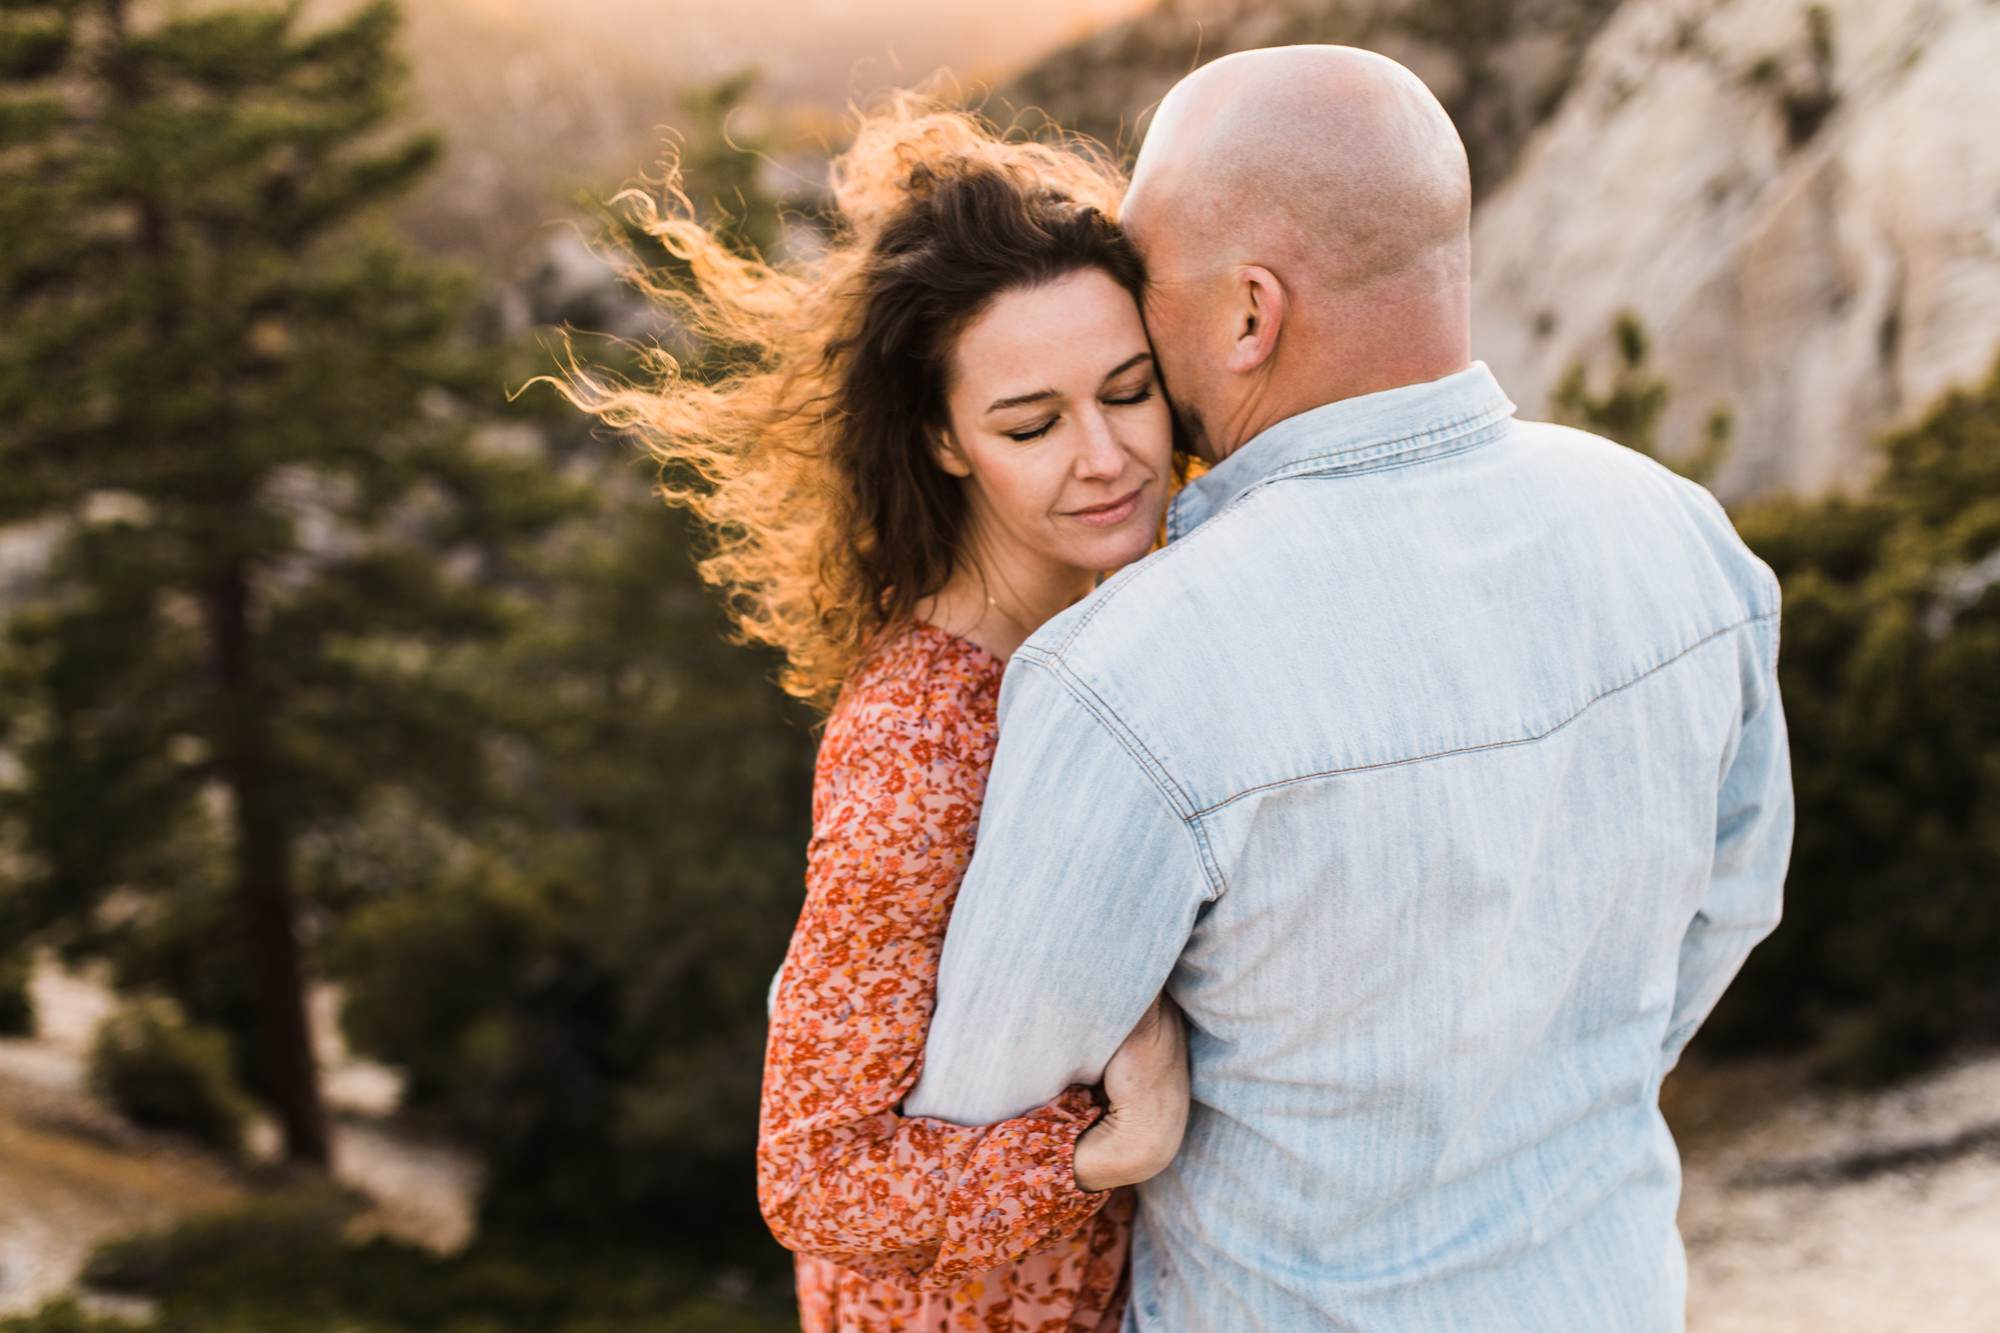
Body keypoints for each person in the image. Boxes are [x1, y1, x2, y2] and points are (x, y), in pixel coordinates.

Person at [905, 45, 1794, 1331]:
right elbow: (1727, 910)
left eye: (1144, 285)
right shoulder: (1676, 533)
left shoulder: (1132, 673)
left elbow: (984, 1107)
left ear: (1250, 313)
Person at [560, 106, 1193, 1330]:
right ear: (943, 442)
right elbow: (814, 1176)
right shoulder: (922, 741)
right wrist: (1099, 1148)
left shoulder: (1093, 635)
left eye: (1129, 392)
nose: (1107, 455)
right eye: (1030, 423)